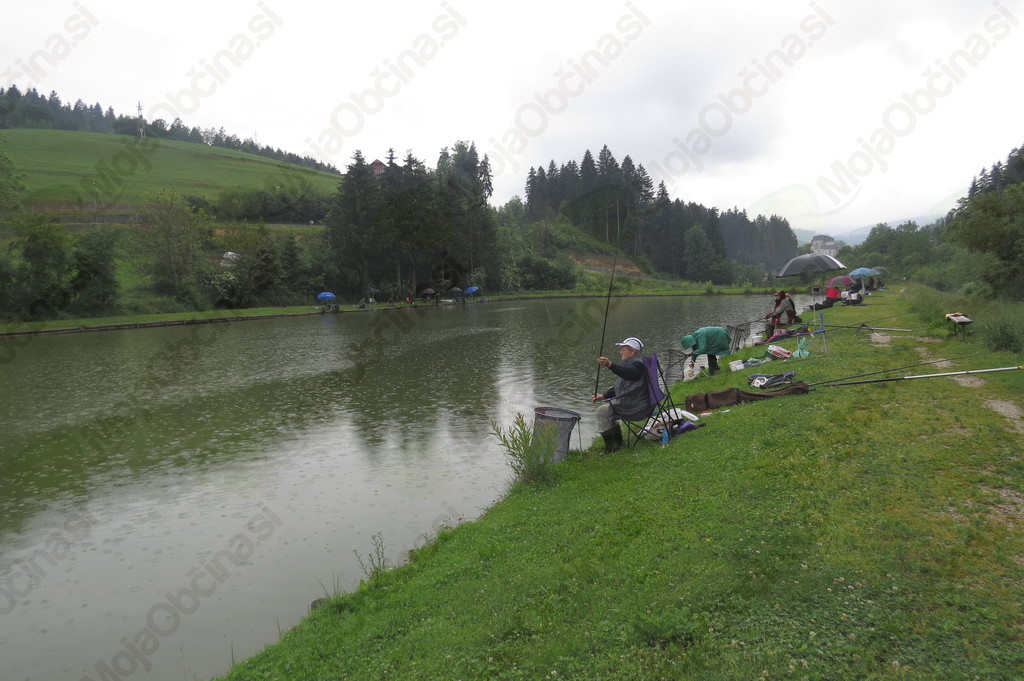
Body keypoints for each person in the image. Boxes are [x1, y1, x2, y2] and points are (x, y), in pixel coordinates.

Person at [591, 336, 647, 454]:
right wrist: (604, 396)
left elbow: (631, 374)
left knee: (601, 412)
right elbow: (622, 386)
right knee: (608, 409)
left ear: (633, 351)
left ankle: (612, 447)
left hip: (636, 406)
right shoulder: (634, 363)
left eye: (623, 349)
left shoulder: (637, 365)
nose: (621, 352)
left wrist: (610, 364)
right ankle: (618, 442)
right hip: (640, 401)